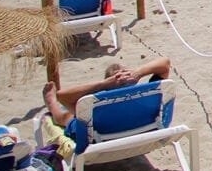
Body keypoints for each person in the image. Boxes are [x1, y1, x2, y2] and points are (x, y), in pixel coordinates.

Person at [40, 58, 174, 147]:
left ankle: (51, 104)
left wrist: (103, 84)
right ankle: (53, 105)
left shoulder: (97, 103)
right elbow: (165, 64)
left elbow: (62, 96)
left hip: (101, 137)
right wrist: (138, 73)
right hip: (145, 128)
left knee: (67, 117)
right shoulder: (147, 94)